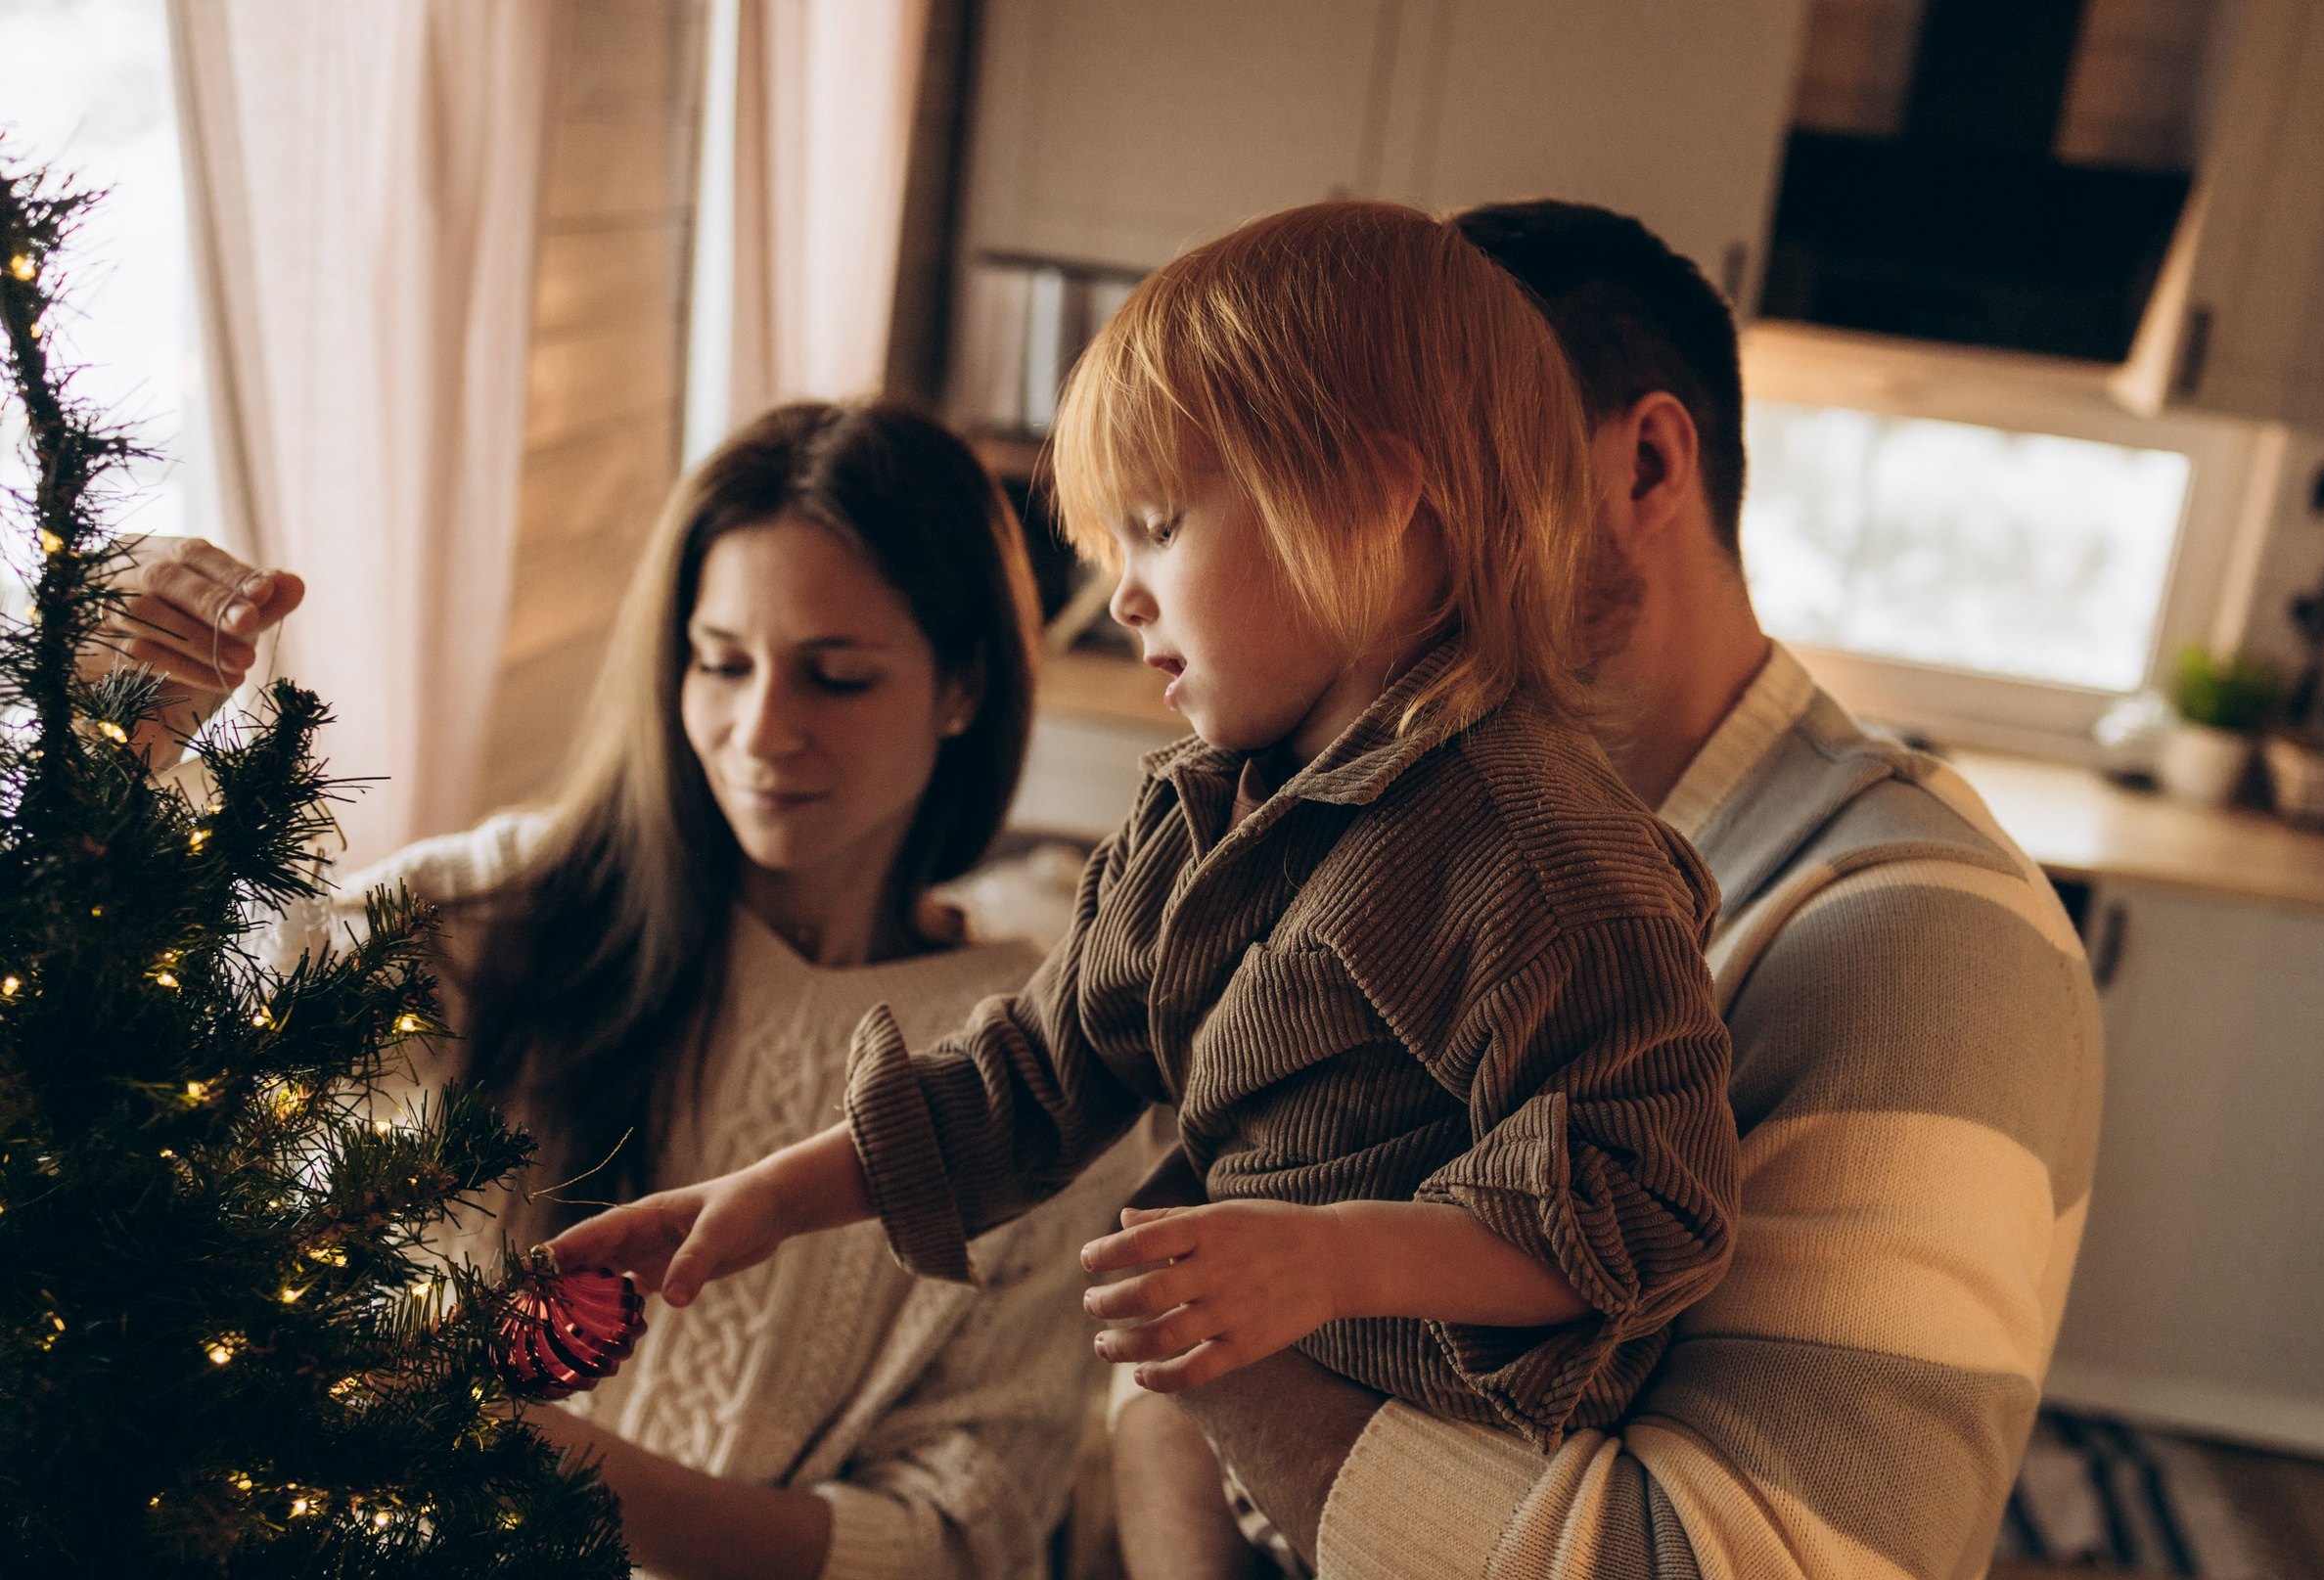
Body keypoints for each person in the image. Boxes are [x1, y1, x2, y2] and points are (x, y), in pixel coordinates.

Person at [550, 200, 1739, 1448]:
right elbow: (1035, 1077)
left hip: (1470, 1462)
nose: (1121, 594)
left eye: (1160, 528)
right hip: (1269, 1434)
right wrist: (774, 1195)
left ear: (1371, 502)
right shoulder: (1200, 814)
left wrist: (1333, 1259)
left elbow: (1650, 1205)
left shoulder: (1537, 855)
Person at [1105, 202, 2104, 1580]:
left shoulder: (1915, 948)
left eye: (1438, 486)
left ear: (1642, 466)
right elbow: (1171, 1382)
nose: (1357, 551)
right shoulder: (1397, 838)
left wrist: (1180, 1262)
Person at [97, 400, 1144, 1580]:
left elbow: (938, 1576)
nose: (762, 730)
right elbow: (176, 1046)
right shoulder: (501, 913)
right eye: (720, 661)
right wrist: (126, 743)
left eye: (837, 675)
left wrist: (532, 1459)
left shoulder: (1029, 1072)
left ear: (965, 684)